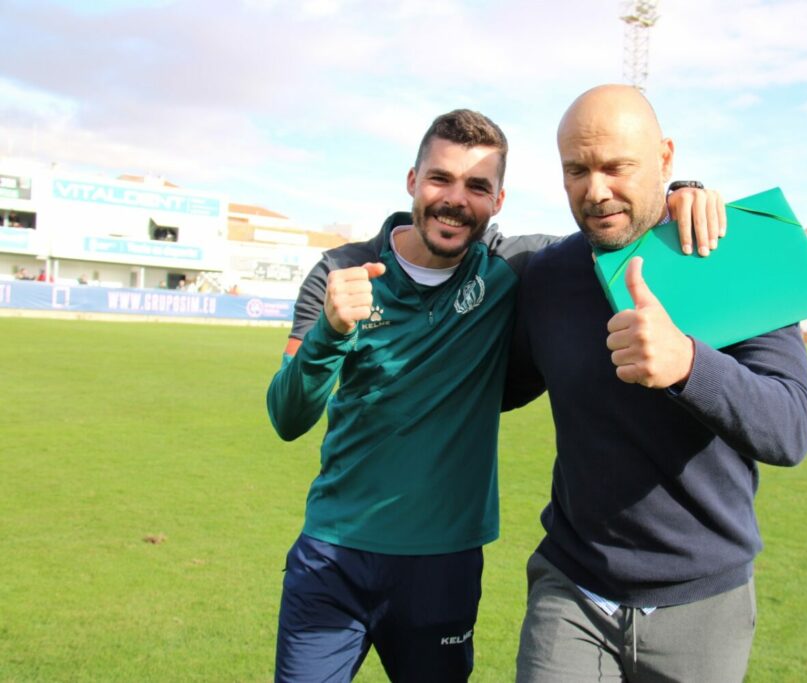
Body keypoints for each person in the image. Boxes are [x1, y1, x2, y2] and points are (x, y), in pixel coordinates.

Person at [266, 108, 724, 682]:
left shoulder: (514, 266)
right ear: (412, 180)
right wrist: (330, 334)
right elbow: (287, 415)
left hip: (444, 564)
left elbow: (612, 223)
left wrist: (684, 193)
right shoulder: (342, 269)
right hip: (332, 556)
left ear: (498, 201)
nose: (455, 200)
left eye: (477, 187)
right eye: (440, 179)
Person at [504, 84, 807, 682]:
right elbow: (499, 387)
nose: (595, 191)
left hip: (702, 602)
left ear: (666, 158)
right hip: (573, 587)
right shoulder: (547, 276)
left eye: (617, 166)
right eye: (577, 170)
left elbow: (791, 429)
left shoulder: (731, 255)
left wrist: (689, 364)